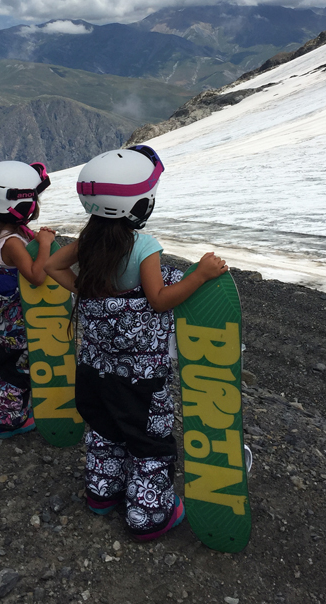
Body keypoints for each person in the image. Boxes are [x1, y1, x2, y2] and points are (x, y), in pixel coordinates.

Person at [45, 144, 227, 541]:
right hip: (139, 374)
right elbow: (159, 299)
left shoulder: (88, 239)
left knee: (104, 428)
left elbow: (50, 265)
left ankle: (101, 493)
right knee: (147, 437)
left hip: (94, 368)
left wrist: (86, 292)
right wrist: (199, 276)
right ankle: (147, 516)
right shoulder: (145, 246)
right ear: (140, 205)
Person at [0, 160, 55, 438]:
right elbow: (36, 276)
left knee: (1, 365)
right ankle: (6, 422)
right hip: (14, 328)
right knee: (16, 371)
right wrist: (44, 245)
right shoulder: (14, 242)